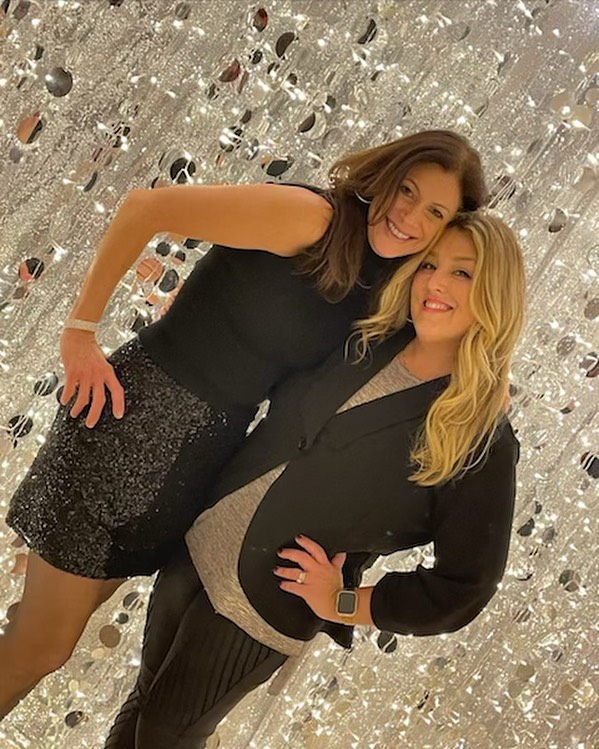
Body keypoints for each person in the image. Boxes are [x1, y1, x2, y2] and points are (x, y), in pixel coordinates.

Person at [0, 131, 486, 719]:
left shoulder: (388, 293)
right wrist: (80, 331)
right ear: (384, 176)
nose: (409, 216)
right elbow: (145, 208)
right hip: (134, 419)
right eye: (406, 190)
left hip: (200, 459)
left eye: (434, 212)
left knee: (43, 634)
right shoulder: (312, 218)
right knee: (44, 645)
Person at [105, 211, 525, 748]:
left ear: (495, 294)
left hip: (264, 602)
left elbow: (465, 585)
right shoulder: (368, 337)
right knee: (142, 706)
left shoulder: (481, 434)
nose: (436, 283)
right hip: (198, 546)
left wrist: (344, 603)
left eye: (462, 273)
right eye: (430, 265)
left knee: (165, 731)